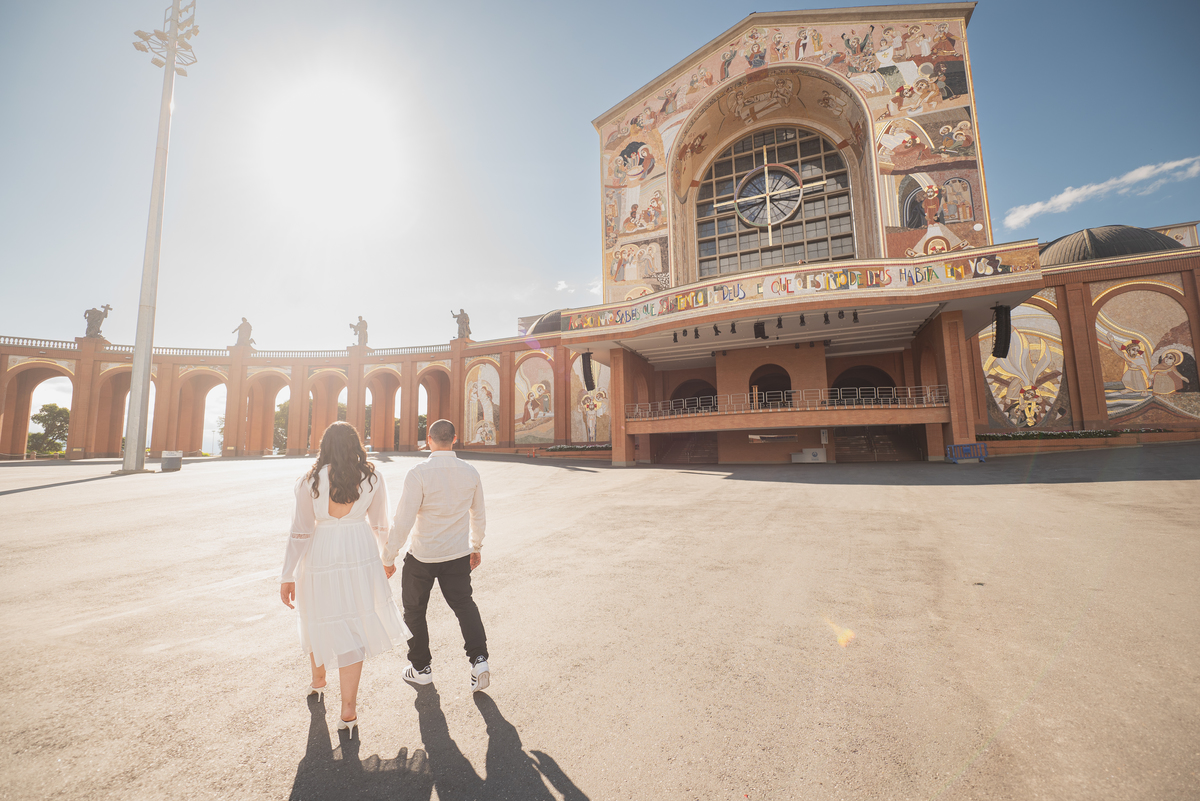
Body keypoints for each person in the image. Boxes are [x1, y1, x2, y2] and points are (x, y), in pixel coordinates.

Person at [279, 421, 407, 738]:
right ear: (356, 445)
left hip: (320, 551)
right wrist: (387, 558)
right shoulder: (372, 477)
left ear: (325, 446)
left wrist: (287, 574)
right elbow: (380, 524)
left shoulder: (309, 480)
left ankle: (318, 679)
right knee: (353, 624)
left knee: (317, 614)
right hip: (359, 552)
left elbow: (300, 532)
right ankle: (348, 710)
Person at [383, 419, 490, 692]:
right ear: (455, 439)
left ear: (429, 440)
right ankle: (479, 662)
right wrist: (475, 547)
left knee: (415, 611)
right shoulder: (470, 472)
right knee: (465, 605)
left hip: (422, 556)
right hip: (457, 555)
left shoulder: (419, 472)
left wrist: (388, 557)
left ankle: (421, 668)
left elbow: (403, 520)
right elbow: (478, 514)